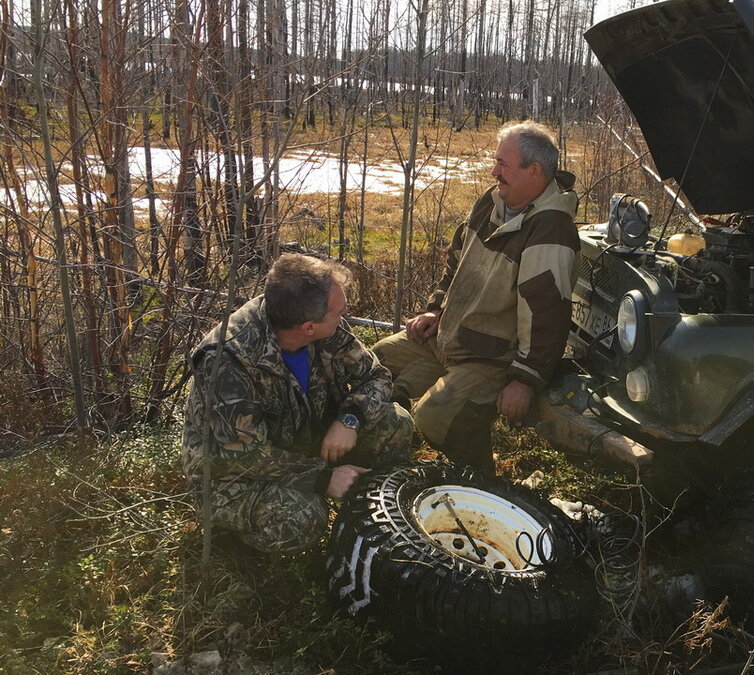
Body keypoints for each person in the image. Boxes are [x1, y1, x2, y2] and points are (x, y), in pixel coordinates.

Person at [372, 120, 580, 474]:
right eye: (495, 161)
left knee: (436, 416)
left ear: (535, 171)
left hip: (490, 359)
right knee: (376, 363)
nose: (494, 171)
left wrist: (525, 379)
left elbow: (548, 315)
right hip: (448, 336)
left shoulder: (550, 229)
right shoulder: (492, 200)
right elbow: (456, 261)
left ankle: (477, 482)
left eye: (503, 164)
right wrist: (435, 310)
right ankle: (382, 454)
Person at [182, 253, 412, 553]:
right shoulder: (227, 361)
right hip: (234, 476)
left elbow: (376, 376)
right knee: (302, 518)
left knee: (395, 423)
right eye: (338, 313)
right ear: (308, 328)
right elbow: (245, 457)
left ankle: (373, 515)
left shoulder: (321, 326)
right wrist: (322, 478)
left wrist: (350, 419)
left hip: (302, 442)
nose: (344, 316)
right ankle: (233, 546)